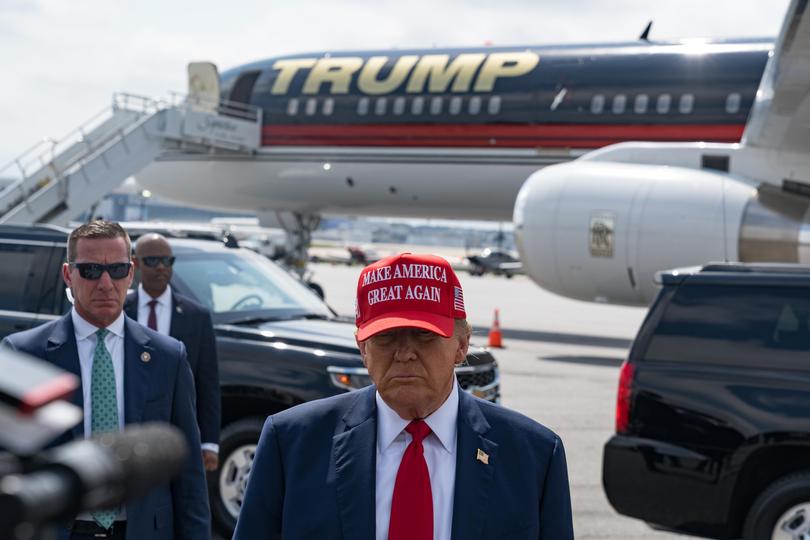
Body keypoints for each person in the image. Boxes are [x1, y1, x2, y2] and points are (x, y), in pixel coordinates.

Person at [233, 252, 574, 539]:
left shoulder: (533, 456)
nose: (404, 353)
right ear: (362, 349)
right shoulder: (293, 443)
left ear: (462, 344)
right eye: (386, 337)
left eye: (424, 336)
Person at [1, 221, 210, 540]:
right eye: (90, 270)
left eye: (116, 269)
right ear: (68, 274)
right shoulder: (23, 353)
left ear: (131, 273)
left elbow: (189, 474)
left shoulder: (168, 356)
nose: (105, 283)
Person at [124, 233, 221, 472]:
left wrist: (209, 442)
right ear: (135, 264)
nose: (161, 268)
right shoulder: (120, 310)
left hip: (176, 428)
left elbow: (207, 382)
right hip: (127, 426)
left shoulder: (196, 316)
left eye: (167, 261)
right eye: (152, 261)